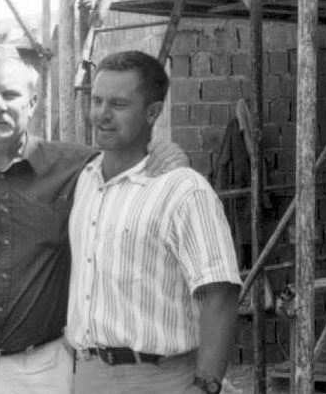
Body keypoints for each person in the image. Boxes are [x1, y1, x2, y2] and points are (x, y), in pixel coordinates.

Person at [0, 55, 187, 394]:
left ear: (33, 103)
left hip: (42, 369)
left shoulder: (79, 168)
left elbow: (130, 153)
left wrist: (162, 149)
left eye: (11, 95)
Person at [66, 50, 241, 394]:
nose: (102, 114)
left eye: (118, 104)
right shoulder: (84, 179)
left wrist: (206, 385)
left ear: (153, 112)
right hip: (88, 375)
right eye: (97, 100)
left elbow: (220, 293)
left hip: (163, 378)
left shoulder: (183, 189)